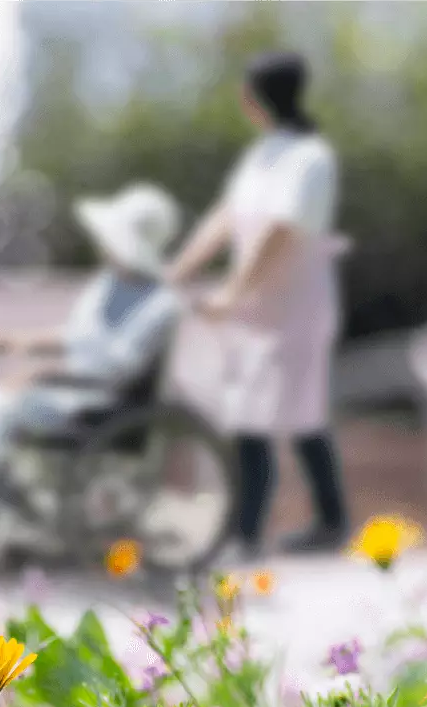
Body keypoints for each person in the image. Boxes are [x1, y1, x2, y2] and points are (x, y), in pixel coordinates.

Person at [0, 183, 184, 541]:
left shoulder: (160, 305)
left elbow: (117, 367)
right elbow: (76, 336)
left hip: (96, 403)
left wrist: (42, 373)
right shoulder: (107, 285)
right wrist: (25, 342)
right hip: (65, 389)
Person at [165, 50, 349, 559]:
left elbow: (279, 232)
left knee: (284, 414)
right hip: (258, 305)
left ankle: (256, 534)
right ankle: (310, 524)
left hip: (296, 304)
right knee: (268, 414)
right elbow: (226, 218)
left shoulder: (310, 157)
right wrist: (177, 272)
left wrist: (231, 292)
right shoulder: (265, 154)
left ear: (258, 97)